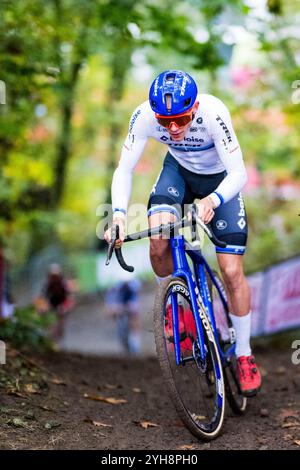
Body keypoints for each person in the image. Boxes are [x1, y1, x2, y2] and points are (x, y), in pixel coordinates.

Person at [104, 70, 261, 396]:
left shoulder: (214, 113)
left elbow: (239, 172)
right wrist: (118, 216)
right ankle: (174, 307)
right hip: (177, 173)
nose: (173, 128)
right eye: (165, 122)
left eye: (182, 119)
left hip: (221, 182)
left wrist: (214, 200)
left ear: (195, 107)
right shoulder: (144, 115)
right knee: (157, 241)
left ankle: (244, 353)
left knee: (231, 271)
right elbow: (124, 168)